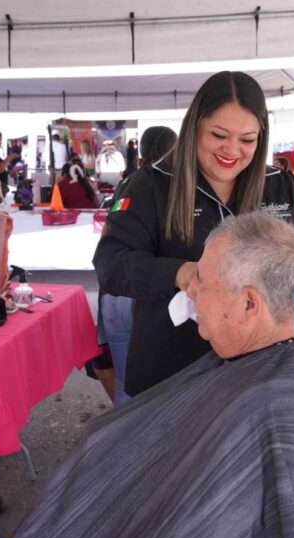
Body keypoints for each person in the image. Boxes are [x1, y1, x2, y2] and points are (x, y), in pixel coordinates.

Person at [0, 212, 294, 538]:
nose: (190, 289)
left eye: (202, 280)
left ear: (249, 303)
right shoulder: (260, 366)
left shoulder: (280, 409)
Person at [93, 71, 294, 398]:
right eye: (219, 135)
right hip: (170, 373)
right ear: (195, 128)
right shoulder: (151, 185)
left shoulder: (278, 186)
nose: (232, 150)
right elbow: (110, 263)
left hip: (257, 373)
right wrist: (180, 273)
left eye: (247, 140)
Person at [99, 125, 177, 405]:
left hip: (116, 294)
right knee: (166, 390)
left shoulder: (126, 185)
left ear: (141, 154)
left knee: (126, 385)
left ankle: (125, 432)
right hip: (153, 295)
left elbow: (107, 236)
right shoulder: (179, 188)